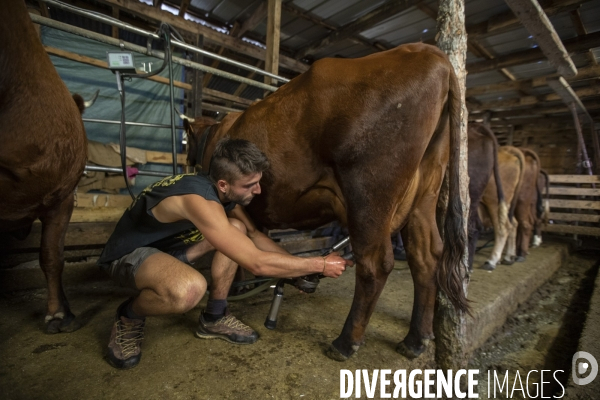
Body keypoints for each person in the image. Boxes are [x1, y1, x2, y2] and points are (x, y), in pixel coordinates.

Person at [97, 138, 352, 369]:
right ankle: (129, 316)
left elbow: (253, 236)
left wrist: (296, 268)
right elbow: (256, 263)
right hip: (129, 256)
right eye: (250, 185)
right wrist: (319, 265)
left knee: (237, 228)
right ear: (223, 183)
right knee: (189, 290)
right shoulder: (198, 198)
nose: (258, 190)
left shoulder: (221, 193)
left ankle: (214, 316)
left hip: (168, 251)